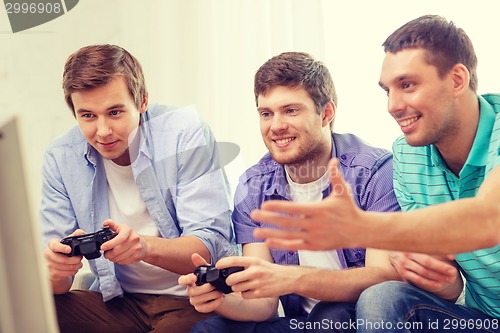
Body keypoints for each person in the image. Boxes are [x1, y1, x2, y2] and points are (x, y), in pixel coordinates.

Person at [251, 15, 500, 332]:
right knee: (383, 297)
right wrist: (436, 275)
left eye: (407, 85)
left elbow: (488, 216)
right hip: (482, 319)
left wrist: (366, 227)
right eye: (387, 90)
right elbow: (451, 286)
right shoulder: (409, 156)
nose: (393, 106)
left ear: (456, 80)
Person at [179, 52, 401, 333]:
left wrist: (290, 278)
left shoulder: (374, 172)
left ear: (326, 114)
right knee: (210, 329)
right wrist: (219, 299)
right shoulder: (253, 187)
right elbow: (264, 304)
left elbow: (382, 281)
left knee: (331, 314)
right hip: (300, 324)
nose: (276, 126)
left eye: (291, 110)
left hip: (357, 318)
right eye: (266, 114)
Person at [40, 44, 236, 333]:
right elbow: (56, 285)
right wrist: (57, 271)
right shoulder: (61, 156)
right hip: (119, 303)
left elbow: (210, 245)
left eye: (115, 112)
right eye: (88, 116)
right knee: (28, 316)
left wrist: (143, 247)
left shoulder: (185, 133)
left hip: (190, 300)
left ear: (142, 102)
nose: (103, 131)